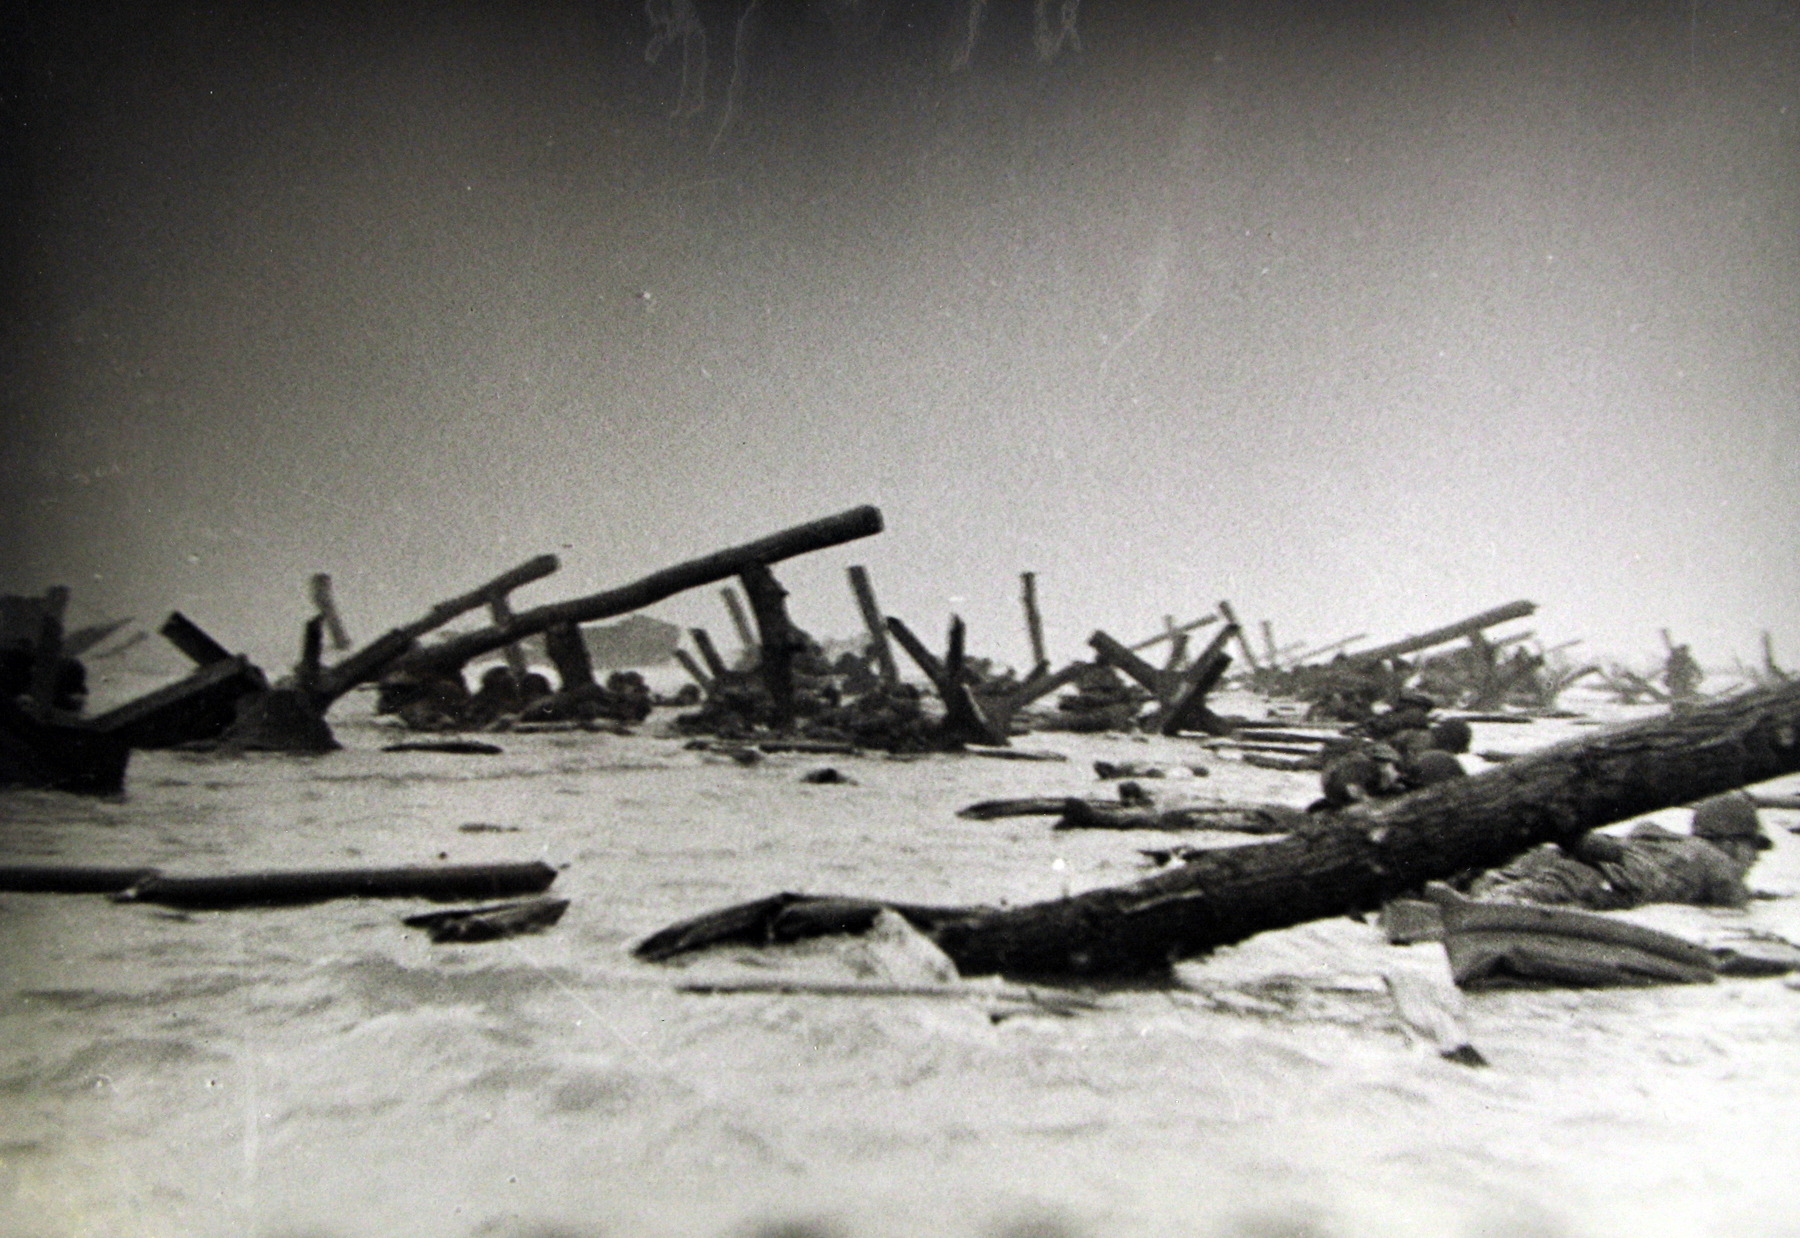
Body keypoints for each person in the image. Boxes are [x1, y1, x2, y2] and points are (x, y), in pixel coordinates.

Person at [1467, 791, 1772, 910]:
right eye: (1752, 847)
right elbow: (1735, 903)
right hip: (1612, 878)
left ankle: (1478, 888)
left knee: (1519, 878)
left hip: (1591, 858)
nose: (1756, 857)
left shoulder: (1669, 842)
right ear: (1730, 843)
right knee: (1538, 894)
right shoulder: (1718, 862)